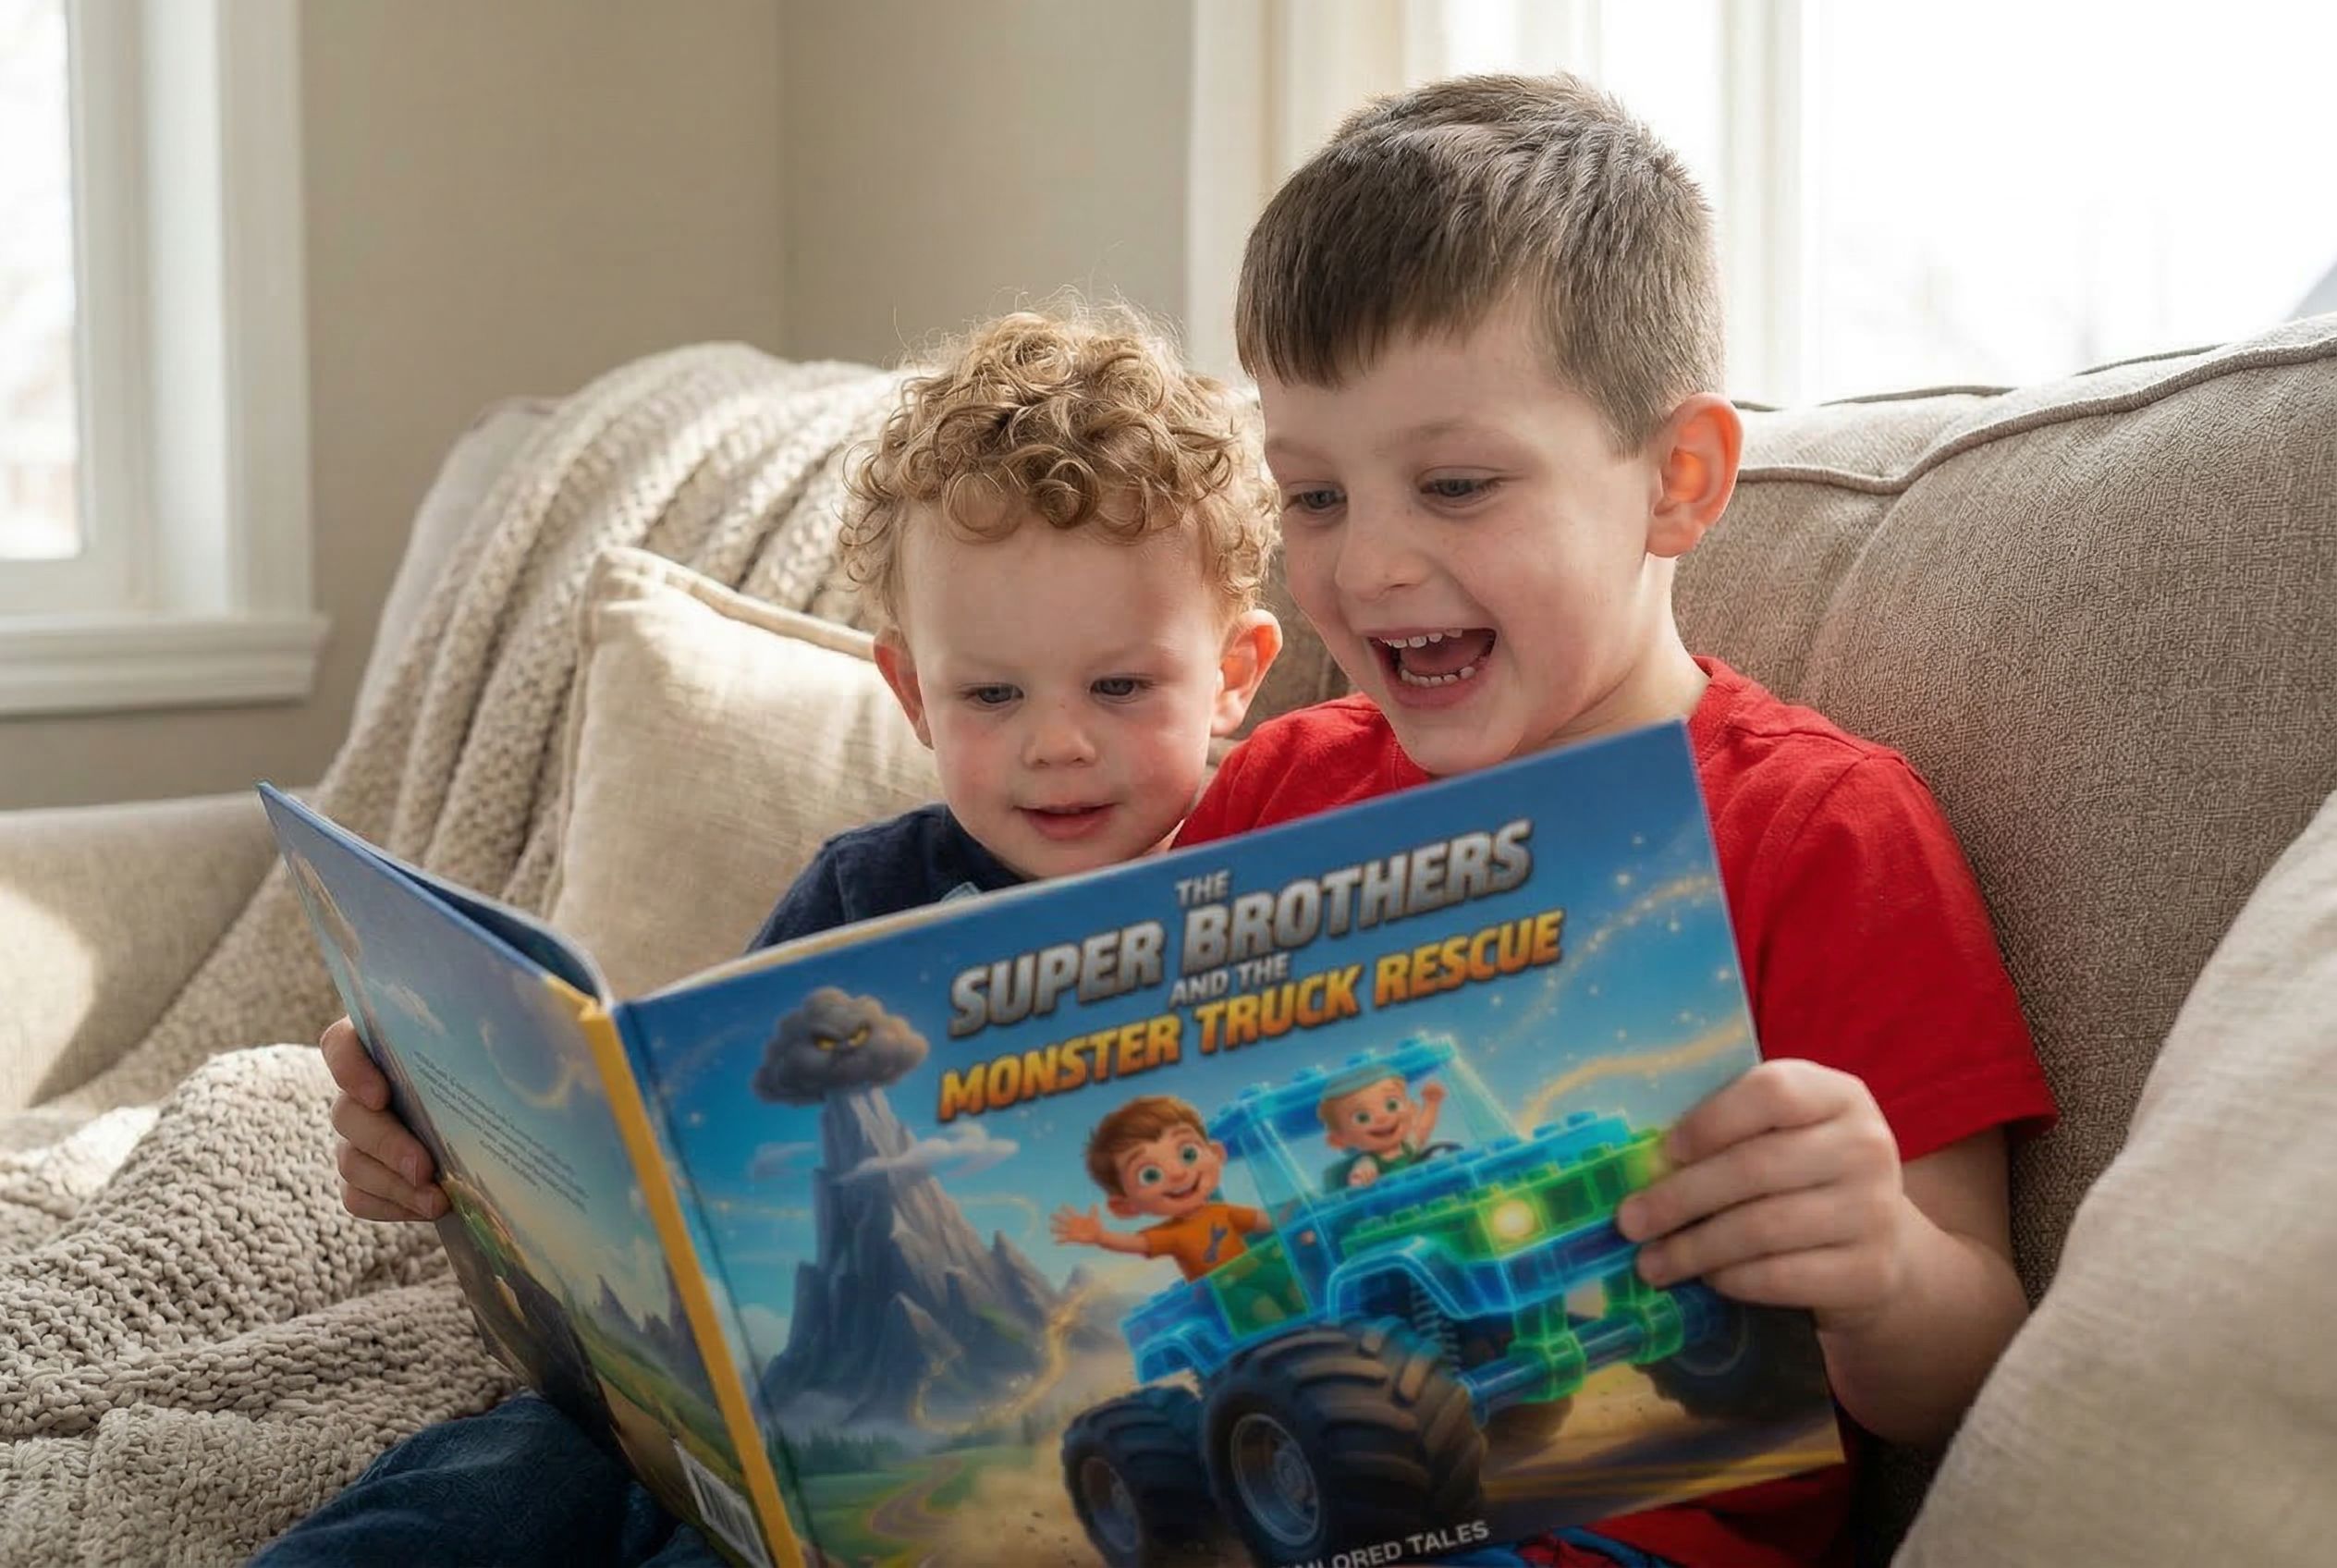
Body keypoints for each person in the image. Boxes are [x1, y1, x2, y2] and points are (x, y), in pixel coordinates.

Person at [1173, 73, 2057, 1568]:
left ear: (1679, 479)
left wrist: (1878, 1260)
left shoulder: (1817, 827)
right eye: (1311, 497)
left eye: (1454, 484)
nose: (1368, 566)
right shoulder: (1273, 788)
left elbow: (1971, 1363)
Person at [262, 304, 1283, 1565]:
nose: (1055, 742)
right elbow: (684, 1147)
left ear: (1237, 673)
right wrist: (433, 1140)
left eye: (1120, 686)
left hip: (1064, 1432)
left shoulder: (1275, 892)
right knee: (501, 1472)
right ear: (911, 690)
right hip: (761, 1393)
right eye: (991, 693)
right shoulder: (861, 895)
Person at [1051, 1093, 1271, 1279]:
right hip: (1226, 1291)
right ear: (1125, 1206)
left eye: (1188, 1154)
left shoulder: (1224, 1212)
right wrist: (1101, 1237)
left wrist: (1300, 1217)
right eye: (1150, 1175)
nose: (1177, 1173)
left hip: (1256, 1272)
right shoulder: (1172, 1234)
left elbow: (1269, 1221)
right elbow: (1137, 1243)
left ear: (1215, 1154)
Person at [1318, 1069, 1448, 1189]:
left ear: (1412, 1110)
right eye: (1362, 1118)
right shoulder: (1370, 1161)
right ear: (1339, 1140)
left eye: (1392, 1105)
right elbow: (1362, 1173)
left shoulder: (1407, 1146)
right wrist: (1362, 1176)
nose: (1382, 1118)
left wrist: (1432, 1103)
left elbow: (1422, 1129)